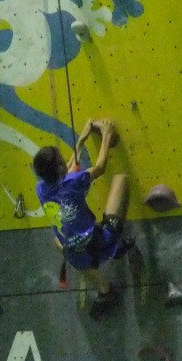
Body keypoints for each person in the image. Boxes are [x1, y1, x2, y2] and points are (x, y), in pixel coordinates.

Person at [33, 118, 134, 318]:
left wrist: (81, 140)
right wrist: (106, 134)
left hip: (72, 250)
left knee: (58, 241)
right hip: (96, 241)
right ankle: (113, 247)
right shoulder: (72, 182)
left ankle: (105, 289)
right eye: (62, 160)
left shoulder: (41, 189)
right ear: (60, 168)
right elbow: (100, 166)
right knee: (121, 181)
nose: (66, 162)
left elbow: (67, 172)